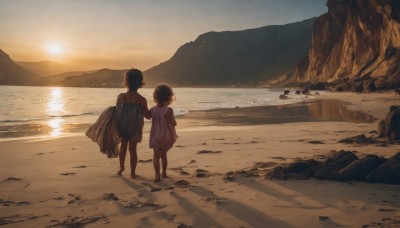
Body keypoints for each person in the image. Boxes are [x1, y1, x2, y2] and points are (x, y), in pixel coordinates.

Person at [116, 69, 151, 178]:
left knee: (123, 147)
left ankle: (121, 168)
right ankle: (132, 173)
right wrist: (156, 110)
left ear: (126, 82)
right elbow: (147, 116)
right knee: (132, 149)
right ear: (141, 83)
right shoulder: (141, 99)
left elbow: (118, 112)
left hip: (123, 126)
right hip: (135, 128)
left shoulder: (121, 96)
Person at [150, 84, 178, 182]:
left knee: (156, 156)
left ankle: (157, 174)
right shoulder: (169, 110)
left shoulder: (153, 109)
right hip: (165, 136)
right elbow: (173, 123)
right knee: (164, 155)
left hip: (155, 135)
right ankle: (164, 173)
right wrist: (172, 121)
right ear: (169, 98)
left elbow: (147, 116)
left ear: (155, 97)